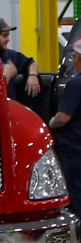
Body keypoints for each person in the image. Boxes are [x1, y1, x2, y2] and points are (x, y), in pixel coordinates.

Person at [49, 38, 81, 213]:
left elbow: (63, 118)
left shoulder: (75, 84)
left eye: (74, 56)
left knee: (77, 195)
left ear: (78, 59)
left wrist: (50, 122)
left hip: (75, 151)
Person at [0, 17, 40, 99]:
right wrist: (6, 75)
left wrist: (33, 75)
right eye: (4, 35)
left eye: (8, 35)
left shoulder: (11, 55)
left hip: (11, 108)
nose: (8, 39)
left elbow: (31, 63)